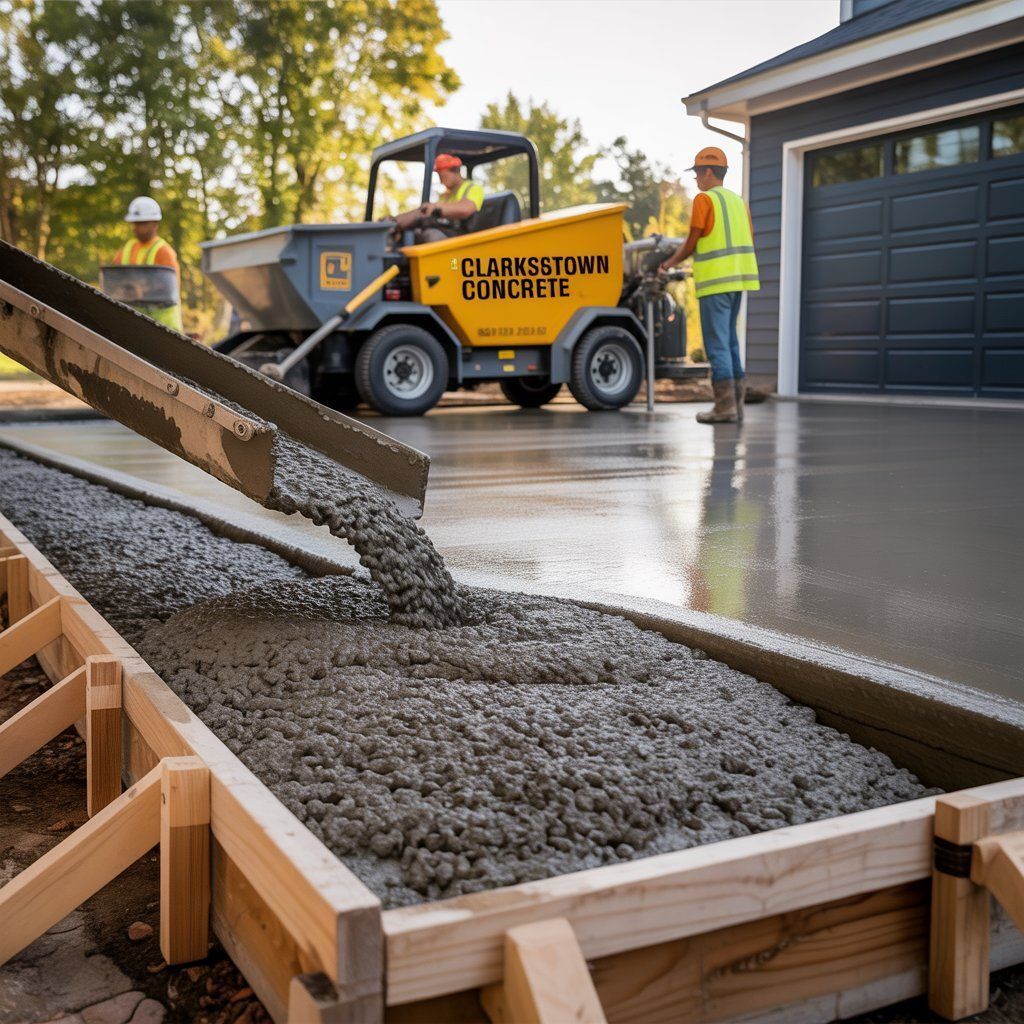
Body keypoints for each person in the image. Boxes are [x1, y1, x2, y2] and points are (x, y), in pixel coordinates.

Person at [660, 147, 759, 424]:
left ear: (707, 172)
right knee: (730, 342)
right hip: (738, 280)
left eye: (696, 175)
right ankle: (736, 407)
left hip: (715, 283)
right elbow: (750, 237)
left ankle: (724, 407)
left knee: (717, 345)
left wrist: (668, 263)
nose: (696, 181)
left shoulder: (705, 199)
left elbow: (692, 242)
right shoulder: (739, 202)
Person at [111, 196, 183, 331]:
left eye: (142, 223)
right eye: (135, 223)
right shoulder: (128, 247)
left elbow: (170, 291)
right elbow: (114, 280)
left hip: (163, 327)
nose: (136, 228)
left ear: (155, 223)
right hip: (134, 323)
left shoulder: (163, 251)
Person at [394, 154, 484, 240]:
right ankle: (392, 223)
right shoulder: (445, 195)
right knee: (417, 224)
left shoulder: (473, 188)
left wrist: (437, 207)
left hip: (464, 235)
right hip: (448, 231)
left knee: (430, 235)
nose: (441, 182)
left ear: (455, 171)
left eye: (443, 177)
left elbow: (465, 209)